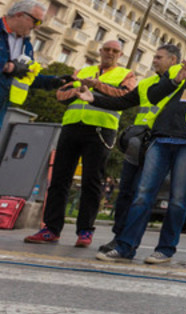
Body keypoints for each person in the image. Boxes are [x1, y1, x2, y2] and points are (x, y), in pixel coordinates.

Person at [92, 31, 186, 265]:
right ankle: (126, 246)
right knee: (143, 194)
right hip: (163, 136)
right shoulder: (177, 69)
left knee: (178, 198)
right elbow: (155, 95)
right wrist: (176, 80)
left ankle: (165, 249)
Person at [0, 0, 68, 242]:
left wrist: (53, 81)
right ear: (19, 15)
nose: (36, 26)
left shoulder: (27, 47)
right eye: (35, 20)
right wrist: (5, 66)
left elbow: (26, 77)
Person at [25, 39, 136, 248]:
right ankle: (51, 228)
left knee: (92, 181)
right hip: (72, 126)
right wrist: (78, 90)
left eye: (115, 51)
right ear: (100, 51)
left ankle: (85, 231)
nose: (110, 53)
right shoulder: (82, 71)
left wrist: (96, 86)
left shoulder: (126, 75)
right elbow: (60, 94)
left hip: (100, 130)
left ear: (120, 55)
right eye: (107, 50)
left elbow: (125, 95)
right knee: (59, 179)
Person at [98, 44, 182, 254]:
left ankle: (128, 242)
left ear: (173, 60)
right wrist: (93, 98)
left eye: (158, 57)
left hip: (158, 145)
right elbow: (122, 102)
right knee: (125, 192)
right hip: (136, 146)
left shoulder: (181, 84)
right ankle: (119, 238)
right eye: (154, 57)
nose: (154, 60)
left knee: (141, 194)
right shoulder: (147, 84)